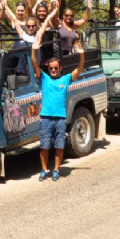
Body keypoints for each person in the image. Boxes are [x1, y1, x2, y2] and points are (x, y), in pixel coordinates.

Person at [31, 10, 84, 182]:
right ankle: (44, 170)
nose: (53, 70)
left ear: (60, 68)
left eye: (55, 68)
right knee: (45, 146)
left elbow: (79, 70)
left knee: (59, 146)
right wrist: (34, 51)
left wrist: (81, 55)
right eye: (51, 68)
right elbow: (35, 66)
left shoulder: (66, 78)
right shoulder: (44, 78)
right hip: (46, 117)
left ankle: (56, 170)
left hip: (60, 118)